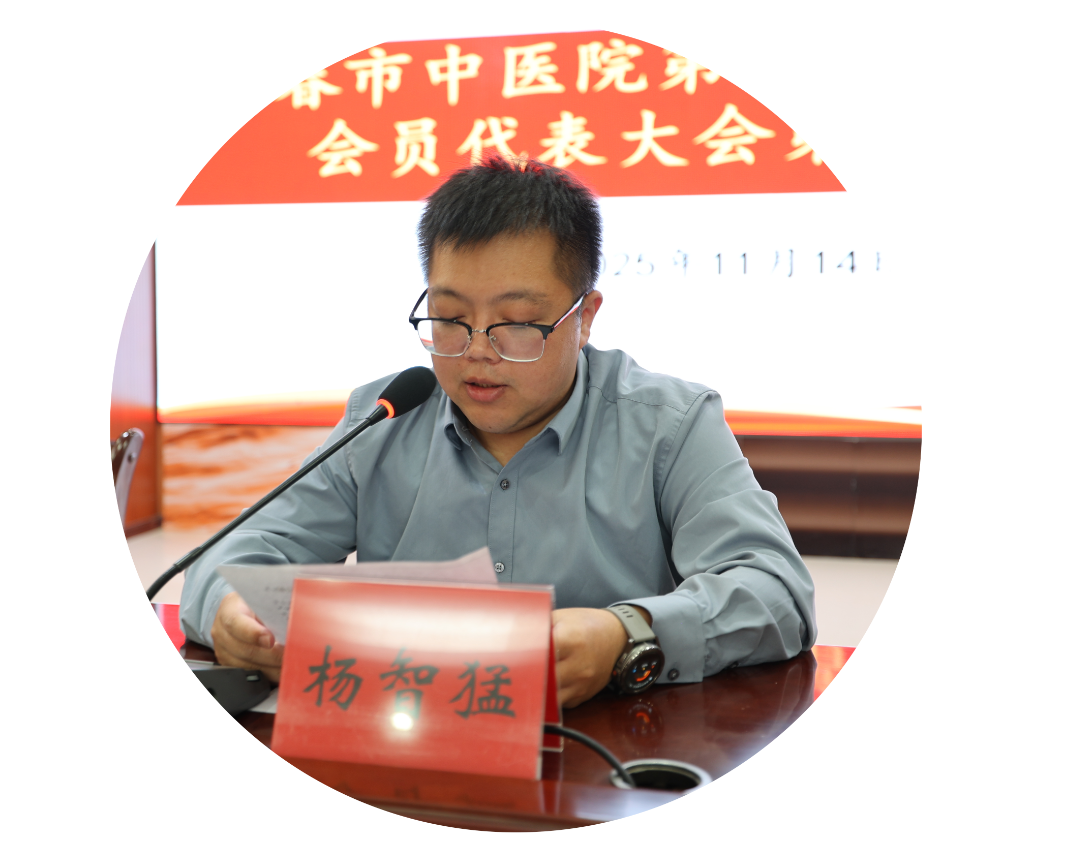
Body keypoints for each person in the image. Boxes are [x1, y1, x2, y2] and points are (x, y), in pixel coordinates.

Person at [179, 154, 815, 708]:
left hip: (606, 755)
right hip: (406, 739)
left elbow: (775, 590)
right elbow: (236, 554)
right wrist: (230, 611)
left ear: (585, 317)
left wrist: (627, 634)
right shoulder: (382, 417)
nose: (477, 351)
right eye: (450, 317)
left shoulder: (669, 424)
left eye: (516, 323)